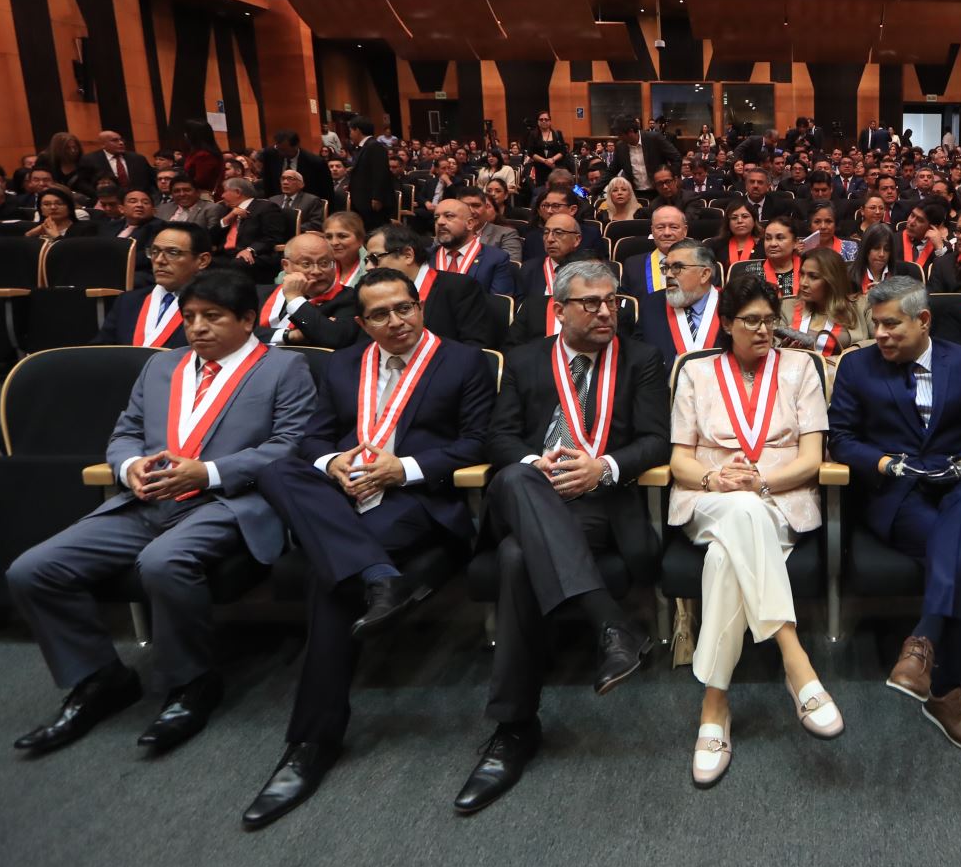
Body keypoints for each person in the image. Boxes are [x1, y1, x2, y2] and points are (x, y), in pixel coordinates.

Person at [4, 268, 317, 756]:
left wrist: (208, 472)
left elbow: (291, 445)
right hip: (149, 497)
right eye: (190, 317)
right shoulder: (162, 366)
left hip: (228, 500)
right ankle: (100, 677)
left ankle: (190, 682)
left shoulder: (282, 368)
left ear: (248, 319)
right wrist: (128, 466)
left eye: (212, 317)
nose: (197, 328)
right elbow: (125, 431)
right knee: (33, 570)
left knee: (163, 561)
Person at [241, 269, 495, 828]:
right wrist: (333, 463)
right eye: (380, 314)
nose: (396, 321)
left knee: (331, 583)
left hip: (416, 502)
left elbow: (477, 443)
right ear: (361, 323)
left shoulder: (464, 360)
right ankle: (380, 575)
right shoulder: (343, 362)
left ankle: (312, 742)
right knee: (280, 469)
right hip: (344, 495)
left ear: (420, 306)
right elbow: (313, 435)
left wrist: (398, 469)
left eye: (404, 308)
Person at [457, 261, 670, 812]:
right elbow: (498, 436)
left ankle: (514, 729)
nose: (606, 312)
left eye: (612, 301)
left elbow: (655, 442)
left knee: (514, 559)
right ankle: (611, 624)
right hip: (533, 489)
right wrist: (536, 463)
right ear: (559, 310)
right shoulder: (526, 360)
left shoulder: (641, 360)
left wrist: (603, 467)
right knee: (517, 476)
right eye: (590, 304)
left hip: (596, 504)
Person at [667, 273, 839, 786]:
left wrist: (760, 478)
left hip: (778, 501)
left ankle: (715, 705)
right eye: (752, 321)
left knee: (726, 557)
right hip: (709, 498)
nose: (765, 330)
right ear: (726, 324)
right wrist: (715, 475)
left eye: (771, 320)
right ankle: (795, 658)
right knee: (738, 510)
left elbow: (811, 459)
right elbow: (678, 460)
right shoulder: (697, 374)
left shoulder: (801, 368)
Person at [827, 278, 961, 754]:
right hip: (897, 494)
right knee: (956, 549)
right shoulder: (857, 367)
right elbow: (841, 438)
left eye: (891, 324)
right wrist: (885, 462)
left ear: (923, 320)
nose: (880, 334)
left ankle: (922, 643)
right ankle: (948, 693)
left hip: (959, 484)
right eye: (875, 324)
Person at [363, 223, 498, 349]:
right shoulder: (373, 295)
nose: (368, 267)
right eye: (367, 260)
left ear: (408, 255)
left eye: (375, 258)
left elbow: (475, 347)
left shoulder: (460, 288)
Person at [94, 223, 213, 347]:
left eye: (173, 252)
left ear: (202, 261)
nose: (159, 260)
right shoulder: (128, 301)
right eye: (154, 251)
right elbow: (99, 351)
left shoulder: (217, 305)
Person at [256, 232, 360, 348]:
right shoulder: (259, 293)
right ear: (286, 266)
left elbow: (336, 337)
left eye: (324, 263)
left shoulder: (350, 298)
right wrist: (289, 335)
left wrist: (294, 298)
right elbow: (238, 332)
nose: (317, 271)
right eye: (306, 264)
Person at [639, 239, 724, 357]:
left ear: (704, 274)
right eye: (666, 267)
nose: (668, 274)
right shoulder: (652, 304)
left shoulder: (731, 303)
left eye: (677, 267)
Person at [777, 246, 862, 356]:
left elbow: (882, 338)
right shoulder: (786, 307)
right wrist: (782, 350)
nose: (803, 283)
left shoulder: (860, 306)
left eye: (813, 277)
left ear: (832, 281)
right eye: (802, 274)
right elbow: (772, 348)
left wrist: (857, 348)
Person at [432, 198, 516, 296]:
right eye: (436, 217)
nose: (440, 222)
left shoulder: (496, 259)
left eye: (449, 216)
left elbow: (497, 307)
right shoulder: (423, 257)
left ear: (470, 224)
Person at [214, 176, 289, 279]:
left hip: (256, 255)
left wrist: (250, 250)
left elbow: (273, 237)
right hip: (226, 254)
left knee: (237, 264)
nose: (222, 195)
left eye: (225, 191)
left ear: (237, 192)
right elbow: (211, 237)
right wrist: (227, 219)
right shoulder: (227, 210)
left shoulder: (267, 207)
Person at [621, 202, 689, 299]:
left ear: (685, 231)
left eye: (674, 227)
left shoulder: (702, 263)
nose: (667, 233)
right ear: (652, 231)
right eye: (660, 227)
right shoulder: (633, 265)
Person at [345, 117, 395, 230]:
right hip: (362, 200)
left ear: (357, 130)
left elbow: (380, 173)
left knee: (376, 231)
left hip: (371, 202)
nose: (350, 135)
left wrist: (377, 198)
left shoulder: (374, 146)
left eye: (351, 131)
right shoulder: (364, 147)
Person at [850, 223, 922, 293]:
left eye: (887, 249)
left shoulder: (906, 272)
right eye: (876, 248)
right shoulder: (849, 275)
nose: (882, 254)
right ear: (866, 249)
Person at [458, 187, 523, 264]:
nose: (471, 211)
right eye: (465, 206)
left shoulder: (506, 234)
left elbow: (510, 268)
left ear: (486, 208)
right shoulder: (448, 232)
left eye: (476, 205)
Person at [82, 129, 150, 192]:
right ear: (103, 144)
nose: (121, 143)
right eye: (115, 140)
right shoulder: (89, 160)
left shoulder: (138, 159)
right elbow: (85, 184)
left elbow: (151, 181)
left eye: (121, 140)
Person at [156, 172, 224, 230]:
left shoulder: (211, 209)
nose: (182, 194)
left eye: (187, 190)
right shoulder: (163, 208)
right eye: (176, 191)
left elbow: (211, 236)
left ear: (198, 192)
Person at [25, 187, 94, 240]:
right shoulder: (33, 228)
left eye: (59, 203)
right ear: (41, 210)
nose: (53, 207)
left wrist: (56, 236)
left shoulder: (85, 229)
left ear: (70, 208)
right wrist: (29, 235)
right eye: (46, 204)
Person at [322, 211, 368, 288]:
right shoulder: (320, 266)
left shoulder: (371, 268)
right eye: (329, 237)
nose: (334, 242)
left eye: (342, 236)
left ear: (360, 239)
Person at [717, 198, 762, 267]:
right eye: (734, 218)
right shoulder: (716, 246)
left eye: (745, 216)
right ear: (728, 223)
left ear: (754, 220)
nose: (739, 221)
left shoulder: (764, 245)